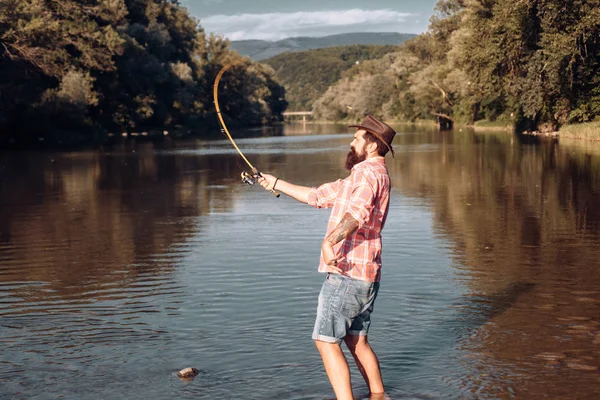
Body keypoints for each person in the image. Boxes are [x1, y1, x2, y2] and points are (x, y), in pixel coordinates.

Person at [258, 114, 395, 400]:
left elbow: (356, 214)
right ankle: (379, 396)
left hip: (347, 273)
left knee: (325, 340)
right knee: (356, 340)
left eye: (357, 138)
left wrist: (329, 241)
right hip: (367, 274)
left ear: (372, 144)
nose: (351, 141)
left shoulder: (367, 174)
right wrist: (276, 183)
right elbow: (317, 195)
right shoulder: (370, 174)